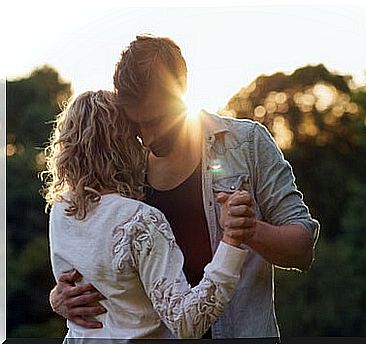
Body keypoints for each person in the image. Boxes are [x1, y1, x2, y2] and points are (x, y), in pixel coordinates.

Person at [49, 34, 320, 340]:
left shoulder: (247, 144)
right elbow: (104, 262)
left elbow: (302, 249)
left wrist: (249, 231)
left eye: (158, 119)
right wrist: (59, 297)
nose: (148, 137)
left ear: (182, 88)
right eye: (137, 124)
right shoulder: (126, 168)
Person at [44, 90, 249, 341]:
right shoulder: (140, 220)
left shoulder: (60, 211)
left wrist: (55, 299)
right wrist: (231, 239)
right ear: (125, 143)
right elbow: (187, 323)